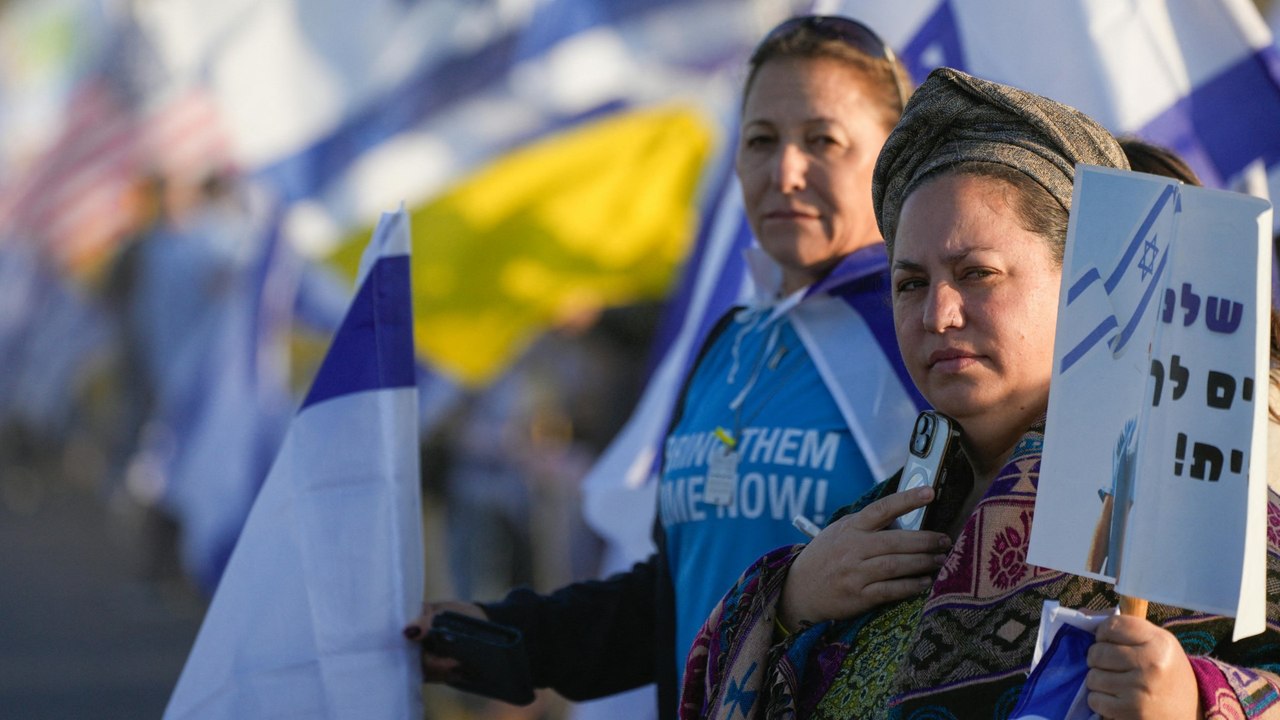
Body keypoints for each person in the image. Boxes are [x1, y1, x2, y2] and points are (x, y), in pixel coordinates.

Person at [681, 67, 1280, 719]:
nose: (938, 313)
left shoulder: (1191, 502)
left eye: (978, 274)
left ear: (1083, 284)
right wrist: (790, 601)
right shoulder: (880, 522)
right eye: (910, 282)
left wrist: (1195, 698)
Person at [405, 15, 924, 717]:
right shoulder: (731, 344)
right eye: (760, 140)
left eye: (823, 140)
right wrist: (506, 638)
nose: (784, 171)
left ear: (893, 159)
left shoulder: (920, 336)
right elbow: (676, 595)